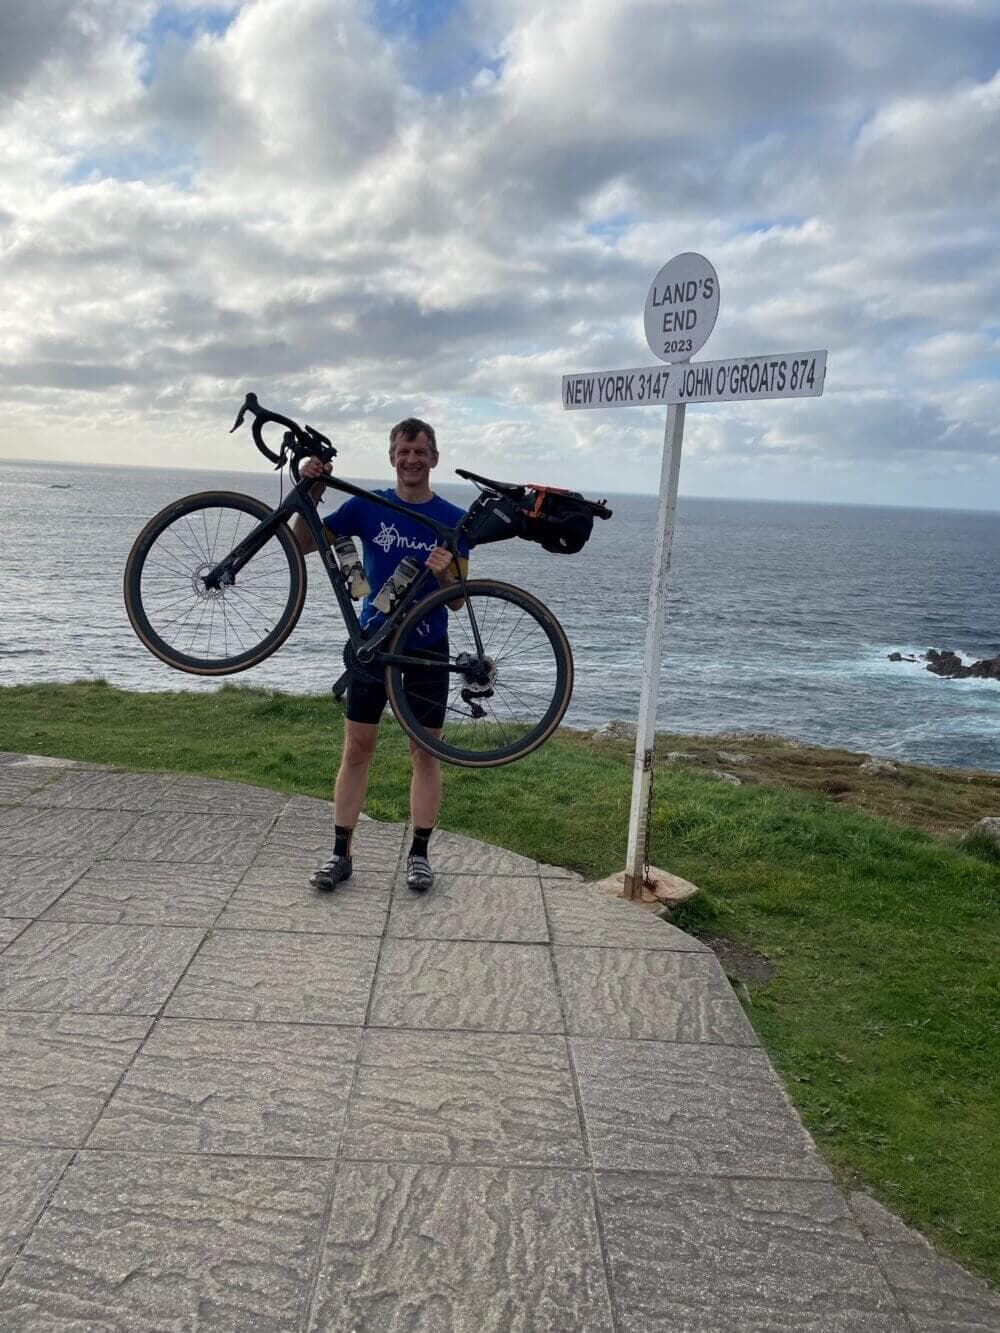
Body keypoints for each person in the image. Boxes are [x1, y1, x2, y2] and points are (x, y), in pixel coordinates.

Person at [293, 418, 469, 893]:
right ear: (392, 457)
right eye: (403, 451)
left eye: (420, 451)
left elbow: (457, 600)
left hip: (428, 648)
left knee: (424, 753)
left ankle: (419, 855)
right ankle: (339, 853)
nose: (411, 459)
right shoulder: (366, 507)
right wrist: (309, 490)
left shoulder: (452, 519)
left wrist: (444, 575)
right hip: (373, 645)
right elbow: (301, 543)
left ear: (433, 457)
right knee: (356, 750)